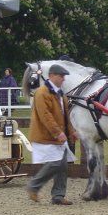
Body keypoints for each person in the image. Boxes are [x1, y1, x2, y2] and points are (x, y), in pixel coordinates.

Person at [26, 64, 77, 205]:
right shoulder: (42, 93)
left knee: (63, 164)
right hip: (45, 135)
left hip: (56, 136)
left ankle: (58, 195)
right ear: (52, 76)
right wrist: (58, 132)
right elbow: (45, 116)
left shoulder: (60, 94)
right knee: (55, 163)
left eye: (64, 76)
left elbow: (65, 116)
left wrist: (71, 131)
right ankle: (33, 186)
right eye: (61, 76)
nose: (63, 79)